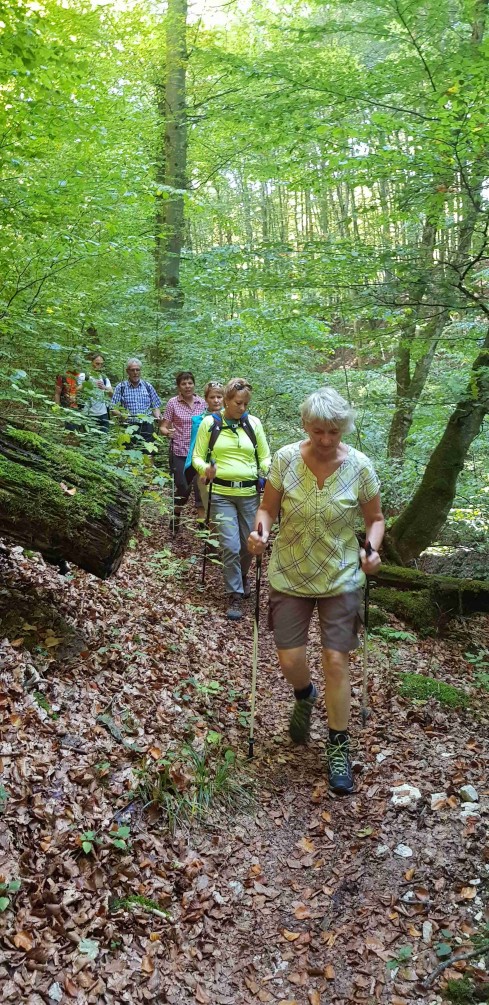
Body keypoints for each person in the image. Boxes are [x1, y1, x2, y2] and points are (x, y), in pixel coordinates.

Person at [247, 387, 384, 796]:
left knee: (336, 660)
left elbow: (375, 518)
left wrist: (371, 550)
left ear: (344, 429)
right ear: (306, 425)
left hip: (341, 576)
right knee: (290, 658)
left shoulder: (360, 466)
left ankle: (338, 745)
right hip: (289, 573)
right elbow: (267, 508)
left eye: (334, 432)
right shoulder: (286, 459)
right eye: (318, 430)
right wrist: (260, 533)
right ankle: (304, 695)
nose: (325, 439)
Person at [192, 377, 271, 621]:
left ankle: (242, 575)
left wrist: (266, 470)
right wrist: (206, 469)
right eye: (238, 403)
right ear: (226, 400)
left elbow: (265, 456)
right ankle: (234, 593)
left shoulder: (253, 423)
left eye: (246, 404)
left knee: (250, 545)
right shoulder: (210, 423)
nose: (242, 408)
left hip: (249, 494)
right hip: (221, 494)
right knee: (230, 545)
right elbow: (197, 457)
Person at [160, 372, 206, 530]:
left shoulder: (203, 403)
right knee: (183, 488)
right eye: (184, 384)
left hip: (199, 452)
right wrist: (168, 432)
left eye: (190, 383)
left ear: (194, 384)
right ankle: (176, 514)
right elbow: (163, 426)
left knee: (201, 488)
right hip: (180, 451)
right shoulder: (173, 403)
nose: (187, 386)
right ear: (179, 386)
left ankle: (202, 525)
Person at [184, 381, 224, 513]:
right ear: (206, 399)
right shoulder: (198, 421)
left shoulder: (233, 420)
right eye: (212, 397)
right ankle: (204, 524)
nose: (216, 400)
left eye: (219, 397)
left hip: (225, 467)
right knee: (202, 501)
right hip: (203, 466)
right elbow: (194, 445)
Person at [111, 358, 163, 446]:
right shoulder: (121, 387)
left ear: (140, 371)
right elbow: (113, 408)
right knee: (128, 452)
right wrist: (122, 415)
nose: (135, 372)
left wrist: (158, 416)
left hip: (147, 426)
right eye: (132, 370)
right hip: (128, 426)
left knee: (149, 452)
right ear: (127, 371)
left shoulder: (147, 386)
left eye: (137, 370)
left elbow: (155, 406)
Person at [77, 352, 112, 431]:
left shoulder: (104, 378)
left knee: (104, 437)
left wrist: (104, 387)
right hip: (87, 413)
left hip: (103, 414)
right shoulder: (84, 376)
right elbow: (76, 391)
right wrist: (89, 383)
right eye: (97, 363)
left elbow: (112, 393)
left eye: (101, 364)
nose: (99, 366)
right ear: (91, 363)